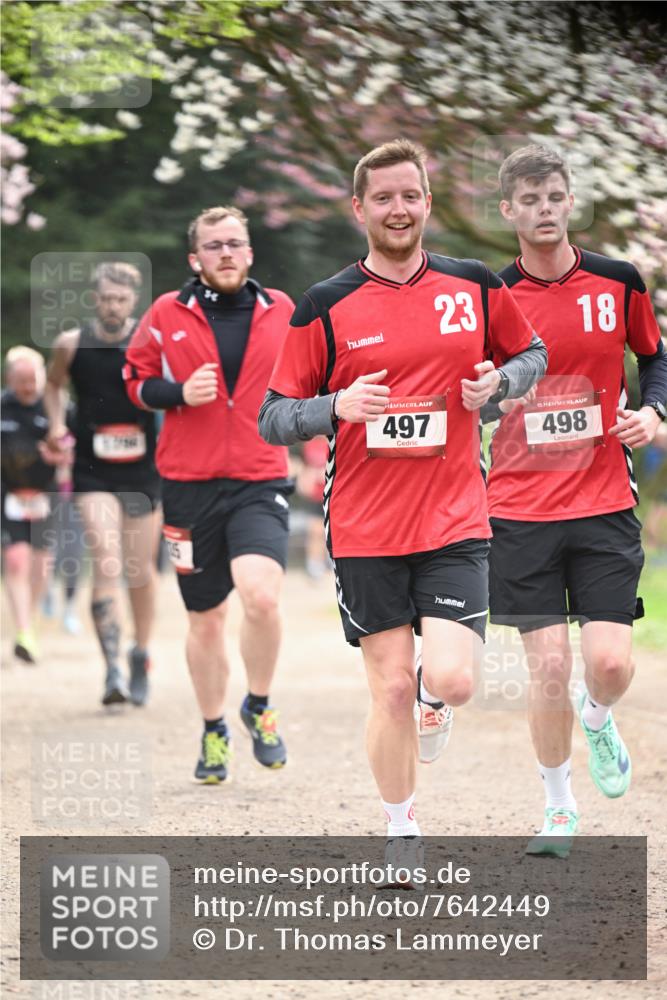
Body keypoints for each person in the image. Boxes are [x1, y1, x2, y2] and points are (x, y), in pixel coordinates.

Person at [258, 138, 547, 860]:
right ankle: (401, 828)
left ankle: (433, 698)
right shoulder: (325, 305)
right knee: (386, 691)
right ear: (359, 209)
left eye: (409, 195)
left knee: (450, 678)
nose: (398, 209)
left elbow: (532, 355)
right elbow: (272, 414)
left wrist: (500, 386)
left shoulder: (474, 284)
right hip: (364, 526)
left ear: (425, 202)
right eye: (382, 197)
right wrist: (336, 405)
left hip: (453, 516)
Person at [484, 144, 667, 856]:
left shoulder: (619, 282)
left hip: (600, 501)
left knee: (611, 665)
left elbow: (654, 356)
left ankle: (597, 717)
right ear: (508, 212)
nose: (543, 210)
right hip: (521, 505)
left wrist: (652, 412)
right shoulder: (488, 298)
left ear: (570, 202)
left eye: (553, 197)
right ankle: (557, 806)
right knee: (549, 665)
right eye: (528, 200)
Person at [124, 206, 295, 783]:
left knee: (262, 597)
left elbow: (311, 376)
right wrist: (176, 392)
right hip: (188, 486)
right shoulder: (166, 313)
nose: (226, 252)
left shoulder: (283, 311)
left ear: (249, 253)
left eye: (235, 243)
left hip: (259, 476)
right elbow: (135, 380)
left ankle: (261, 706)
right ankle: (214, 729)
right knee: (205, 617)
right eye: (214, 245)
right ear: (195, 258)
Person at [44, 262, 160, 707]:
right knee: (107, 560)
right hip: (93, 470)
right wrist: (56, 425)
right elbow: (53, 387)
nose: (113, 305)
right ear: (95, 298)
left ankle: (140, 653)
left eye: (121, 298)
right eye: (106, 297)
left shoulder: (149, 343)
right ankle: (111, 665)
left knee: (140, 570)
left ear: (133, 301)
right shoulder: (71, 345)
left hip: (144, 469)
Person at [1, 347, 62, 662]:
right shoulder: (2, 407)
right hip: (8, 495)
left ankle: (30, 622)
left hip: (46, 495)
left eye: (32, 379)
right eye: (20, 380)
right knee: (15, 561)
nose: (27, 386)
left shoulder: (56, 407)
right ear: (9, 378)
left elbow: (72, 450)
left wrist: (61, 456)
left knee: (40, 567)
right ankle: (24, 631)